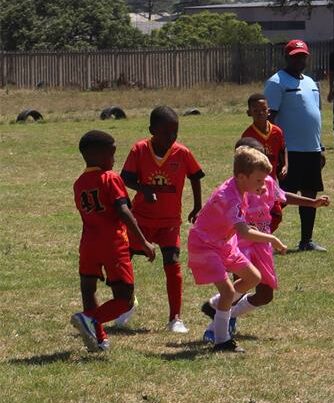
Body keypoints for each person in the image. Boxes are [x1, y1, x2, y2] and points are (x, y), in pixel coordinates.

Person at [200, 138, 331, 343]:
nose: (263, 182)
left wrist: (312, 203)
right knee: (237, 291)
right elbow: (230, 221)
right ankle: (216, 330)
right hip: (241, 244)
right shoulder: (237, 190)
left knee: (265, 295)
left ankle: (218, 311)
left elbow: (283, 196)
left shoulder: (265, 181)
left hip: (262, 244)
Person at [187, 147, 287, 352]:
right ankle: (222, 340)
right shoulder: (229, 198)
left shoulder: (240, 186)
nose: (263, 185)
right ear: (242, 177)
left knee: (253, 277)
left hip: (223, 243)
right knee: (228, 291)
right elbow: (244, 232)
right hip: (205, 245)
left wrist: (256, 189)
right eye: (259, 181)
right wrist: (273, 239)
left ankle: (215, 305)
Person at [118, 106, 204, 333]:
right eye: (165, 132)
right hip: (141, 220)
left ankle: (175, 318)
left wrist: (197, 205)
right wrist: (143, 189)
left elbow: (195, 176)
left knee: (172, 263)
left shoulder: (182, 153)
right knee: (123, 259)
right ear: (152, 130)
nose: (171, 137)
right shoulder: (139, 150)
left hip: (169, 221)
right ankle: (127, 303)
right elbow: (125, 178)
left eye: (174, 132)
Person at [71, 130, 156, 352]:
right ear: (97, 154)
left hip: (88, 243)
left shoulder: (79, 183)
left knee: (88, 290)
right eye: (112, 153)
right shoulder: (111, 178)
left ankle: (98, 338)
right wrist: (145, 242)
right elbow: (124, 212)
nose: (114, 158)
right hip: (113, 244)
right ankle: (89, 318)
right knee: (125, 299)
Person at [265, 39, 328, 252]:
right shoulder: (276, 82)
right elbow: (269, 120)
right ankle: (259, 236)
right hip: (289, 152)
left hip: (311, 149)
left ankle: (306, 241)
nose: (299, 59)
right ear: (286, 57)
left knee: (309, 196)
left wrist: (321, 146)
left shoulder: (311, 82)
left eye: (303, 55)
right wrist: (276, 152)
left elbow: (315, 116)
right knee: (278, 197)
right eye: (295, 56)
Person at [241, 93, 287, 232]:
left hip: (271, 182)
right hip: (256, 185)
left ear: (269, 110)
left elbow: (283, 149)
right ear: (249, 113)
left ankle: (263, 238)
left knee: (276, 213)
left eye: (263, 110)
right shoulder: (248, 135)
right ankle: (261, 240)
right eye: (256, 111)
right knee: (259, 215)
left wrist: (285, 165)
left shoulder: (277, 132)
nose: (260, 113)